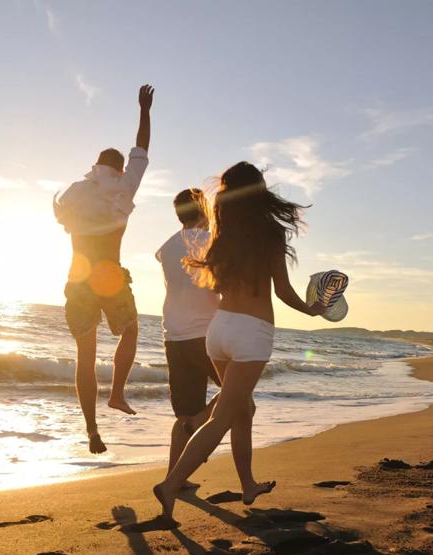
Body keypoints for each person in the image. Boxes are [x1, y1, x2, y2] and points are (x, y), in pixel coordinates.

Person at [153, 162, 326, 522]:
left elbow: (215, 285)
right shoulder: (271, 232)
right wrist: (312, 311)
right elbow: (282, 290)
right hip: (252, 332)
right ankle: (171, 484)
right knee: (222, 417)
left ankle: (247, 485)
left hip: (219, 330)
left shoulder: (220, 232)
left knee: (242, 410)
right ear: (259, 190)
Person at [52, 84, 154, 454]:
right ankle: (117, 393)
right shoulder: (124, 188)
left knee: (85, 356)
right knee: (130, 331)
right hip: (109, 276)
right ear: (120, 168)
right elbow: (142, 149)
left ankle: (92, 430)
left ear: (95, 165)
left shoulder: (76, 193)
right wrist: (144, 110)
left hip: (78, 278)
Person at [155, 189, 220, 488]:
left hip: (174, 336)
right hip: (204, 335)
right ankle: (200, 422)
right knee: (238, 393)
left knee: (184, 414)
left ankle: (174, 477)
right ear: (203, 210)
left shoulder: (166, 247)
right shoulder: (208, 242)